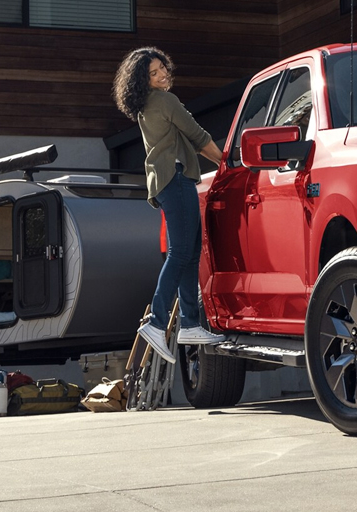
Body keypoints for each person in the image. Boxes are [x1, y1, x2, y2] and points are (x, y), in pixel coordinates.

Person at [112, 47, 227, 363]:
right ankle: (157, 321)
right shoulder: (165, 101)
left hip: (165, 183)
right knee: (181, 252)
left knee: (189, 252)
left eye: (162, 67)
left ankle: (190, 323)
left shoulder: (146, 106)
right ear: (143, 80)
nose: (162, 74)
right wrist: (226, 162)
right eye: (153, 72)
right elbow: (197, 135)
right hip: (175, 180)